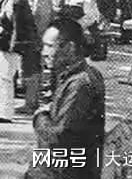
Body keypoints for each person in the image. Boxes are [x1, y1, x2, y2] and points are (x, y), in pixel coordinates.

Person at [28, 18, 105, 179]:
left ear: (70, 47)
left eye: (50, 46)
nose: (44, 52)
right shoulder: (72, 76)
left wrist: (40, 116)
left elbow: (60, 138)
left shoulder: (80, 84)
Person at [0, 0, 39, 123]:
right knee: (1, 78)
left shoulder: (18, 1)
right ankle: (2, 110)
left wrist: (15, 45)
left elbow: (16, 25)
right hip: (4, 41)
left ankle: (5, 113)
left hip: (9, 43)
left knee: (5, 78)